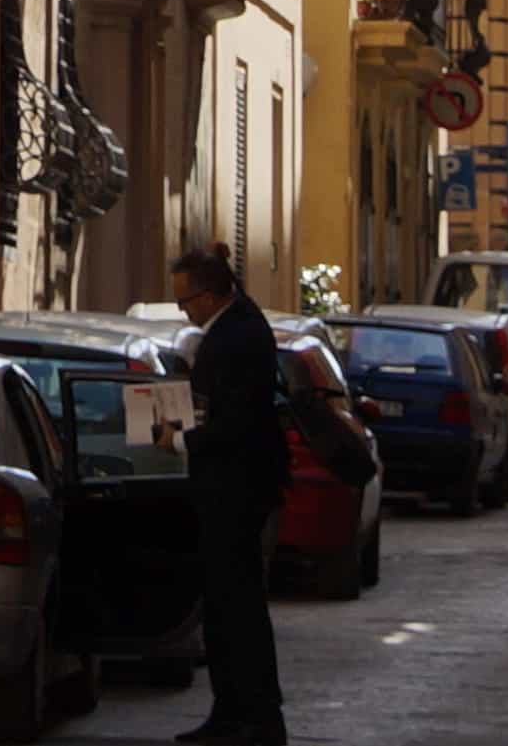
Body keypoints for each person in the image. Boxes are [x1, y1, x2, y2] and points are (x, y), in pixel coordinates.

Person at [164, 241, 289, 746]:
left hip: (235, 489)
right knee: (227, 608)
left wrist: (177, 437)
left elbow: (233, 422)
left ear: (212, 295)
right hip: (235, 487)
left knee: (237, 609)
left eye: (185, 302)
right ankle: (233, 711)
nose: (183, 312)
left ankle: (254, 717)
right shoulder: (239, 325)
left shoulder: (234, 337)